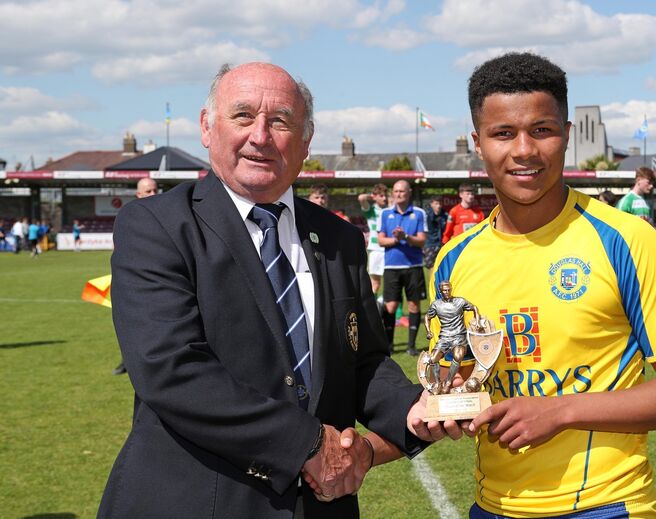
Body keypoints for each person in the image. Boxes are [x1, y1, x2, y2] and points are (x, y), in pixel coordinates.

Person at [98, 62, 456, 519]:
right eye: (243, 116)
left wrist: (414, 408)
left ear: (305, 142)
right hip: (197, 502)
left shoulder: (339, 238)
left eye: (280, 120)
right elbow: (170, 368)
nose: (261, 136)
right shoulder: (156, 226)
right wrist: (306, 444)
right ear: (208, 128)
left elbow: (363, 360)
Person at [428, 52, 656, 518]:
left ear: (565, 136)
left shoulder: (625, 240)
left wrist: (559, 410)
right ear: (478, 144)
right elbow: (460, 376)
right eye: (503, 133)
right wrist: (441, 403)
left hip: (606, 506)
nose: (524, 150)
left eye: (541, 130)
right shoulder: (454, 260)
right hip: (492, 506)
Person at [111, 177, 159, 376]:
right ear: (138, 195)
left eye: (155, 190)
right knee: (132, 326)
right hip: (135, 283)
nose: (152, 194)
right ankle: (128, 361)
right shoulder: (127, 219)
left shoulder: (169, 217)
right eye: (147, 191)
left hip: (162, 282)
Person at [378, 179, 427, 356]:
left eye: (402, 191)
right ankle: (389, 345)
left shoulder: (419, 213)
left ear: (409, 192)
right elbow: (381, 240)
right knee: (390, 307)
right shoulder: (385, 214)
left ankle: (411, 346)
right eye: (396, 191)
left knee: (413, 305)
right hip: (391, 267)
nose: (398, 194)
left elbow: (422, 241)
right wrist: (396, 240)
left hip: (413, 266)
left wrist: (405, 236)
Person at [423, 280, 480, 395]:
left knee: (458, 356)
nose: (447, 292)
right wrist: (428, 331)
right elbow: (427, 317)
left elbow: (474, 308)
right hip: (444, 337)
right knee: (433, 359)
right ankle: (438, 383)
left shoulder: (460, 301)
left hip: (459, 336)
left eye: (449, 290)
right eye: (445, 291)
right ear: (440, 291)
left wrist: (477, 322)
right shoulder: (436, 305)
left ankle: (448, 382)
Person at [357, 183, 389, 295]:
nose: (384, 198)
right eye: (381, 195)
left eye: (385, 195)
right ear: (374, 196)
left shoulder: (390, 210)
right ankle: (371, 309)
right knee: (375, 282)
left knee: (393, 281)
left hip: (389, 248)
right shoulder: (371, 211)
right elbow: (361, 198)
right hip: (376, 249)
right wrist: (372, 196)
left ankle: (397, 312)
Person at [423, 197, 447, 270]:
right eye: (436, 203)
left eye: (440, 203)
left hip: (442, 244)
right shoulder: (426, 215)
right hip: (430, 244)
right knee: (431, 267)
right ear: (431, 204)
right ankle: (432, 281)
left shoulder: (445, 215)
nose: (438, 206)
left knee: (443, 268)